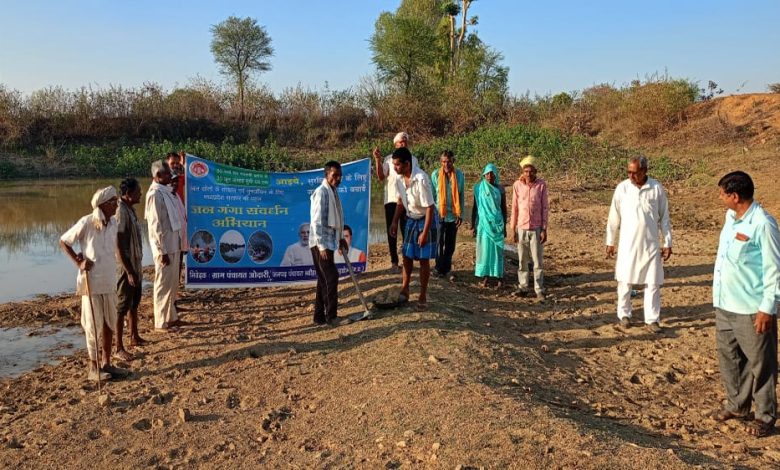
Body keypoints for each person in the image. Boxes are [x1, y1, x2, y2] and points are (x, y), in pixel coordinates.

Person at [711, 171, 779, 438]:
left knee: (761, 363)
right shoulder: (731, 218)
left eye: (722, 193)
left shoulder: (763, 224)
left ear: (734, 196)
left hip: (752, 308)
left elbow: (774, 268)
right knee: (729, 358)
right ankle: (738, 405)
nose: (719, 198)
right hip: (725, 304)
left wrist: (767, 308)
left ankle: (765, 416)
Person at [60, 187, 128, 381]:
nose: (116, 204)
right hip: (91, 282)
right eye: (113, 201)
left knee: (109, 323)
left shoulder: (113, 222)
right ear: (104, 204)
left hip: (109, 281)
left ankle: (107, 363)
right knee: (92, 326)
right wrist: (78, 261)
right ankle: (93, 366)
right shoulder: (87, 222)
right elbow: (64, 241)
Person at [605, 155, 672, 333]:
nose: (631, 175)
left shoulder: (656, 188)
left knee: (652, 282)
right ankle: (624, 315)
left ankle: (652, 319)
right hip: (627, 244)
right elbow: (614, 217)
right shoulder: (623, 188)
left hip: (650, 244)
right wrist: (610, 241)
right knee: (625, 281)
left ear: (644, 171)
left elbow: (664, 217)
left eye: (635, 172)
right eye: (628, 172)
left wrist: (667, 242)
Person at [390, 147, 436, 308]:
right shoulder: (399, 179)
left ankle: (422, 295)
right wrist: (395, 221)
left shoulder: (421, 179)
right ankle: (405, 289)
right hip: (410, 218)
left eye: (397, 165)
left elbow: (430, 208)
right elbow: (401, 201)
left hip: (425, 219)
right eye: (393, 165)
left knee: (424, 259)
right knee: (407, 256)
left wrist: (424, 233)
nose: (395, 168)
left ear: (407, 164)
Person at [310, 161, 351, 326]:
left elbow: (337, 220)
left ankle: (319, 317)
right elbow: (316, 221)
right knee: (331, 277)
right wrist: (321, 246)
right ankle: (331, 317)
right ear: (327, 175)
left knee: (324, 279)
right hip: (320, 244)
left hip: (329, 241)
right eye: (334, 175)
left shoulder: (333, 192)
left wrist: (340, 238)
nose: (338, 178)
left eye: (339, 175)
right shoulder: (321, 192)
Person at [146, 160, 185, 331]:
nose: (170, 176)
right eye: (167, 174)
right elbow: (155, 226)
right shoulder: (154, 194)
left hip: (174, 243)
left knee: (173, 283)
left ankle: (171, 317)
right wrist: (161, 251)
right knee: (162, 284)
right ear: (157, 176)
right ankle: (161, 322)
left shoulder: (167, 191)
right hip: (164, 248)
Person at [373, 132, 419, 273]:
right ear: (395, 145)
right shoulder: (388, 160)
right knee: (391, 231)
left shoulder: (414, 160)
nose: (403, 144)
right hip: (392, 200)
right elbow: (381, 177)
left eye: (405, 141)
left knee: (407, 230)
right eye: (400, 142)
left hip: (407, 200)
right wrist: (377, 160)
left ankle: (407, 259)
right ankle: (394, 262)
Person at [114, 178, 146, 361]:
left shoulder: (129, 210)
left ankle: (134, 336)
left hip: (135, 263)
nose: (140, 193)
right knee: (122, 306)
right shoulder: (121, 211)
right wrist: (128, 271)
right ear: (128, 193)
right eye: (138, 191)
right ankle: (119, 347)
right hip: (125, 267)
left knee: (134, 303)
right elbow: (118, 244)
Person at [510, 155, 549, 300]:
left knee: (538, 261)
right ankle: (523, 287)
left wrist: (544, 228)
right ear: (522, 172)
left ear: (536, 171)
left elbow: (545, 207)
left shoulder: (541, 185)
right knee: (522, 260)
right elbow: (514, 208)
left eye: (531, 171)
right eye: (526, 171)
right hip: (521, 227)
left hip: (536, 227)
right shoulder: (517, 185)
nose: (528, 174)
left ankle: (539, 289)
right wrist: (512, 228)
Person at [430, 150, 465, 281]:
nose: (446, 164)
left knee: (450, 244)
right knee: (439, 242)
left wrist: (460, 214)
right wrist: (433, 213)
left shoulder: (460, 175)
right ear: (441, 162)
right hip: (440, 214)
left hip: (453, 215)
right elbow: (432, 197)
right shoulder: (434, 175)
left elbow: (461, 196)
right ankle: (438, 267)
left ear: (453, 161)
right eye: (443, 161)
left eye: (448, 161)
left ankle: (447, 268)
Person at [471, 164, 507, 288]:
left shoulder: (500, 189)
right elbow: (475, 208)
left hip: (497, 224)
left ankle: (499, 277)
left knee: (498, 251)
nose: (489, 176)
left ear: (495, 175)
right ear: (484, 175)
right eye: (487, 173)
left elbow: (503, 208)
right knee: (485, 250)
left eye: (492, 174)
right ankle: (486, 276)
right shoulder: (478, 188)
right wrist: (473, 225)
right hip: (483, 224)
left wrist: (505, 227)